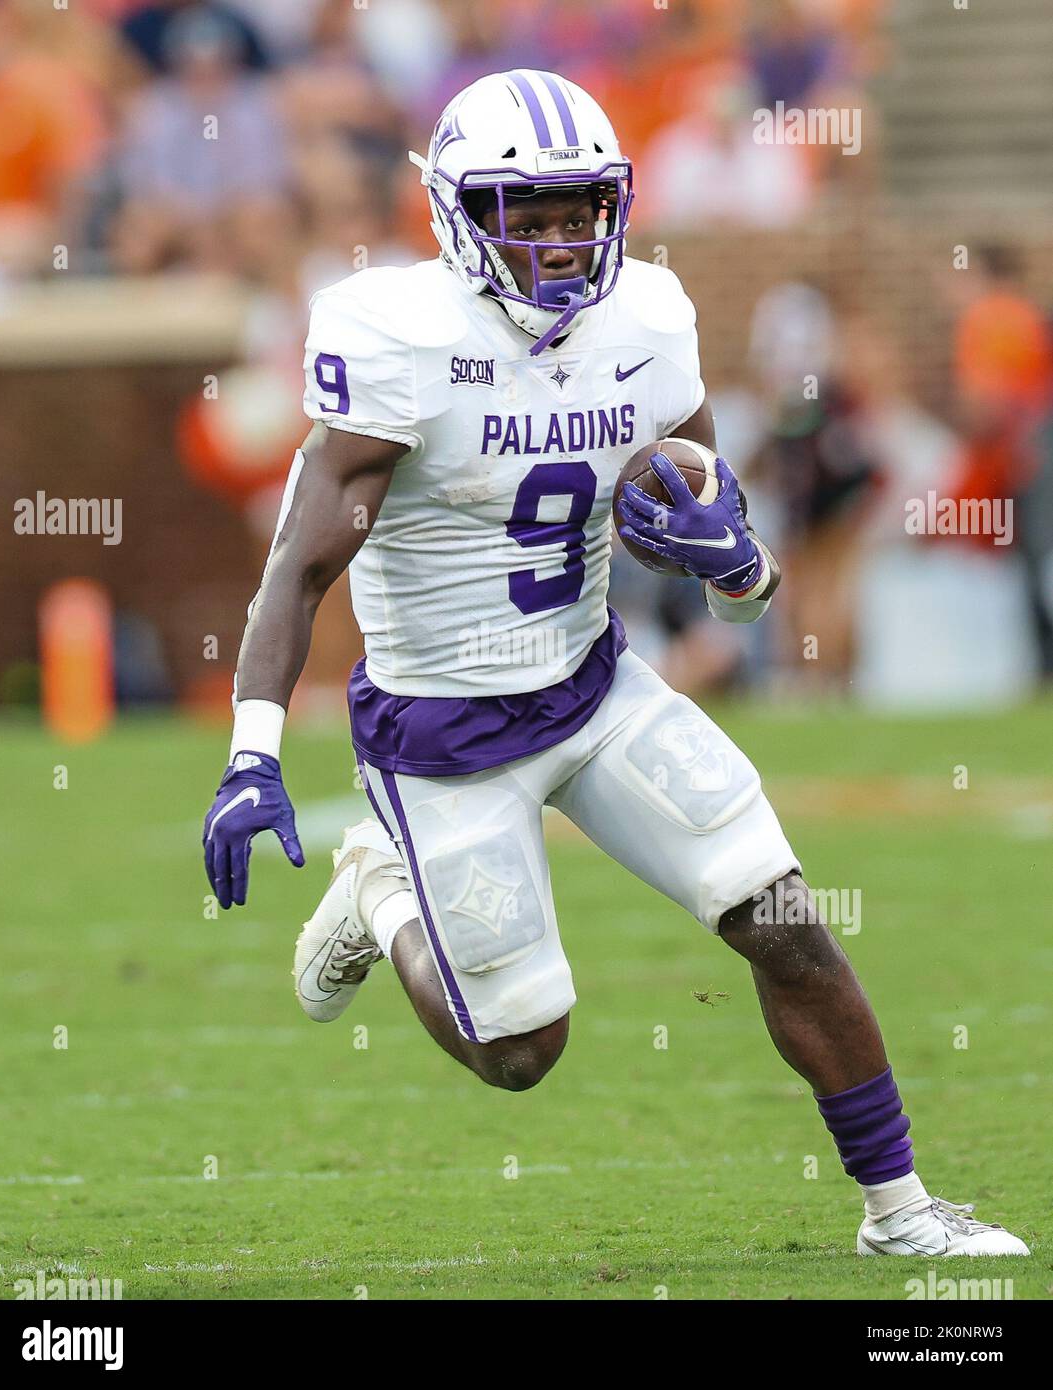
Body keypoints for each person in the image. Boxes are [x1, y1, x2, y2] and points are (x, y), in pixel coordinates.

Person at [203, 71, 1028, 1258]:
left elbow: (717, 539)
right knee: (521, 1052)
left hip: (595, 687)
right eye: (522, 214)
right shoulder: (397, 337)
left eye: (576, 209)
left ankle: (898, 1212)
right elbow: (297, 565)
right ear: (453, 213)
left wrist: (738, 566)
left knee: (784, 917)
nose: (554, 241)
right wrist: (252, 752)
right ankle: (380, 887)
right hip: (442, 736)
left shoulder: (645, 318)